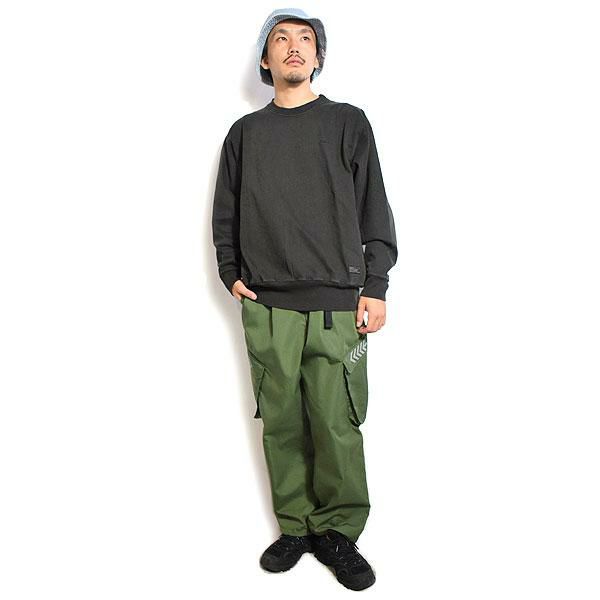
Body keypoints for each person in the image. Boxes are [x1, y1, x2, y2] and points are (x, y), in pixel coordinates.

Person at [211, 8, 397, 591]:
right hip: (267, 305)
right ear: (266, 61)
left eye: (306, 39)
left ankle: (338, 530)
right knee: (282, 423)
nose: (294, 46)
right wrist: (230, 273)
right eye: (281, 39)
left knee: (337, 422)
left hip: (339, 304)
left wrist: (376, 285)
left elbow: (374, 206)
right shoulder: (245, 134)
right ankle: (295, 525)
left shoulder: (347, 123)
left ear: (318, 57)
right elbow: (225, 211)